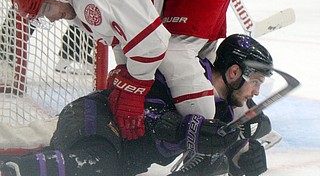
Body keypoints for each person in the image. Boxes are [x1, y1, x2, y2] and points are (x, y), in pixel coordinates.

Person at [9, 0, 243, 141]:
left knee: (176, 54)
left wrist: (134, 86)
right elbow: (124, 35)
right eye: (41, 16)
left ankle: (207, 146)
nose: (49, 18)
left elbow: (153, 43)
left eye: (47, 8)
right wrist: (124, 70)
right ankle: (233, 124)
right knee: (198, 59)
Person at [0, 34, 273, 176]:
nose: (257, 91)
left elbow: (228, 147)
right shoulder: (186, 70)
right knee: (98, 164)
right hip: (96, 118)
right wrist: (185, 129)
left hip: (122, 154)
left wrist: (247, 160)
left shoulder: (223, 110)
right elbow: (143, 113)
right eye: (257, 81)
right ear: (235, 73)